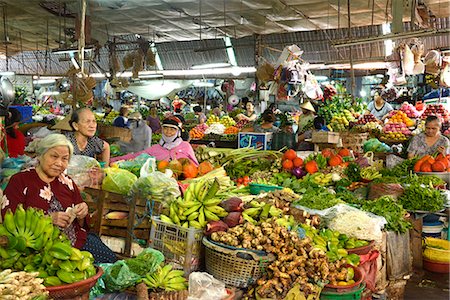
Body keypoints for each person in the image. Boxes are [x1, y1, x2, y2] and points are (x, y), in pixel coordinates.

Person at [1, 134, 117, 263]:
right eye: (54, 156)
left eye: (65, 159)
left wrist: (82, 213)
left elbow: (82, 219)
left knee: (110, 260)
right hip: (36, 250)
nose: (59, 163)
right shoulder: (20, 181)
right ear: (40, 155)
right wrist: (48, 219)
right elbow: (9, 220)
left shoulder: (67, 182)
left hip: (75, 242)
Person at [111, 116, 198, 165]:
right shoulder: (155, 148)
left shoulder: (185, 146)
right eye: (165, 128)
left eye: (172, 129)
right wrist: (110, 160)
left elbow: (196, 166)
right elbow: (135, 156)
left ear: (178, 132)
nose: (168, 132)